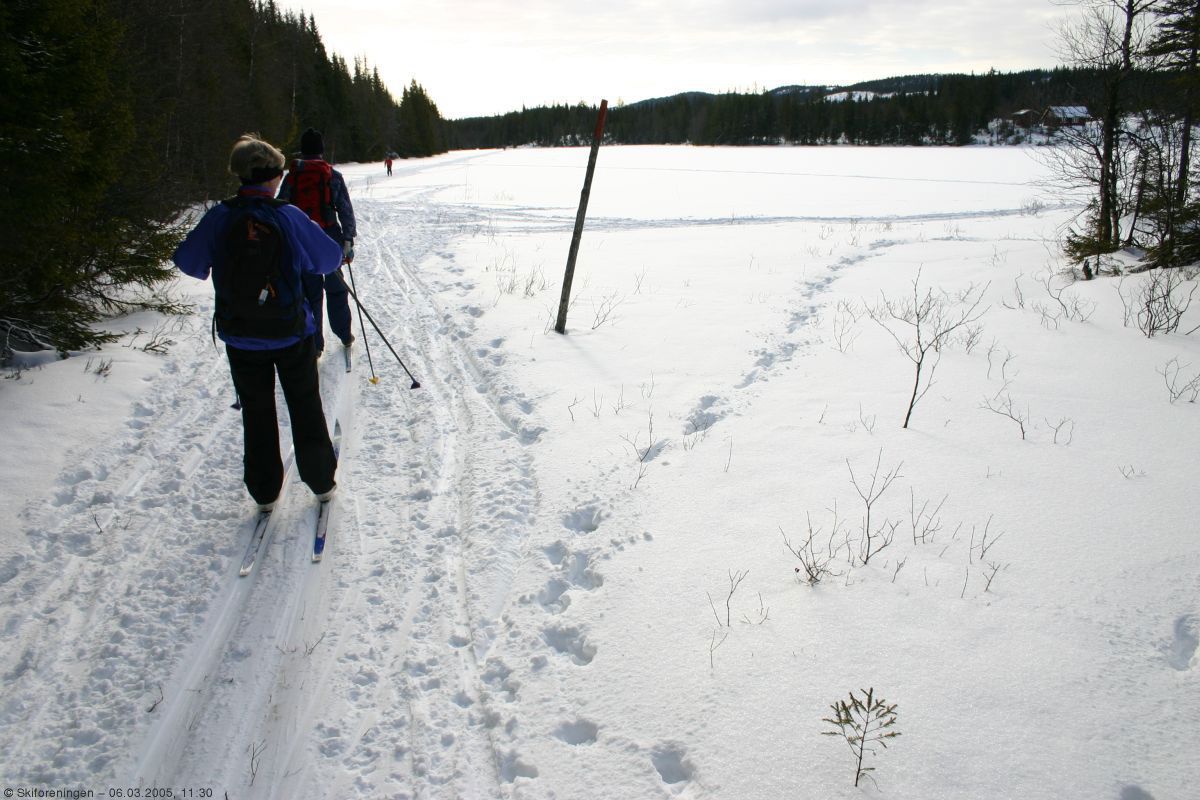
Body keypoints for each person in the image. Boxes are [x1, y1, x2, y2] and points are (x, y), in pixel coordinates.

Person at [173, 134, 342, 510]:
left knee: (257, 410)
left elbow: (188, 262)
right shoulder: (287, 215)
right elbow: (328, 260)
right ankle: (320, 482)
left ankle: (264, 492)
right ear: (273, 176)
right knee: (304, 404)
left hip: (241, 335)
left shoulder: (221, 216)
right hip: (291, 333)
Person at [277, 127, 357, 353]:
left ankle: (315, 343)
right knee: (336, 288)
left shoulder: (292, 176)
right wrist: (348, 240)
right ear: (321, 150)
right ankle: (344, 334)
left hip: (301, 240)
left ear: (303, 150)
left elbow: (280, 208)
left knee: (310, 293)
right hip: (329, 238)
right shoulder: (332, 175)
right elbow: (345, 210)